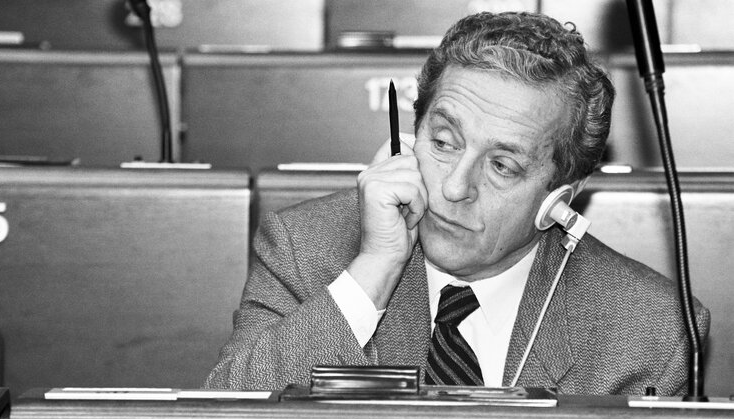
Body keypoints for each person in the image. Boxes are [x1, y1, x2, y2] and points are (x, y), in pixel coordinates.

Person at [204, 11, 709, 395]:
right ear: (410, 136)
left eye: (502, 166)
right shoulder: (305, 248)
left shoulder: (651, 327)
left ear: (560, 198)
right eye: (443, 142)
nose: (453, 187)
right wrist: (374, 270)